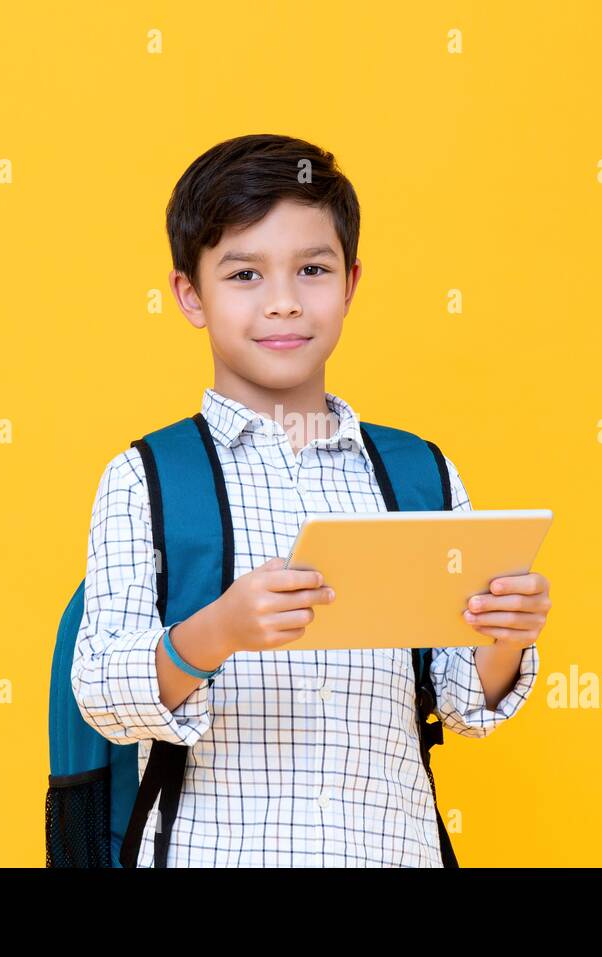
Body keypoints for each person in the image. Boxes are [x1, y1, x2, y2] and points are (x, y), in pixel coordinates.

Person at [70, 133, 553, 866]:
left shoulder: (419, 475)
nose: (285, 302)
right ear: (190, 295)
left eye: (313, 269)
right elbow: (102, 688)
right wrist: (218, 629)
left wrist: (506, 635)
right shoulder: (148, 477)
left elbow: (462, 700)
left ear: (351, 283)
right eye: (244, 275)